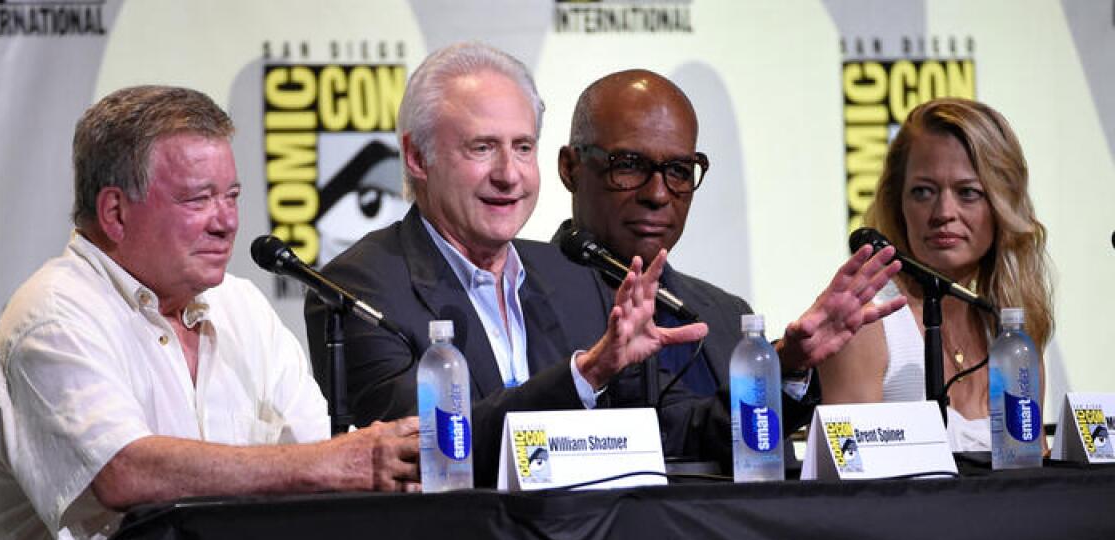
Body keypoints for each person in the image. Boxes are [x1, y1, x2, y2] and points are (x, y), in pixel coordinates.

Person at [0, 85, 420, 540]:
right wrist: (334, 462)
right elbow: (124, 473)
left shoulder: (242, 307)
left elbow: (321, 457)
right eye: (199, 199)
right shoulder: (53, 315)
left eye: (233, 195)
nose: (227, 222)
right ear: (115, 212)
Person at [305, 44, 706, 487]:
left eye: (522, 147)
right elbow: (426, 447)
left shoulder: (573, 274)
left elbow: (671, 427)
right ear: (417, 157)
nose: (509, 174)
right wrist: (582, 375)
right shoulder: (358, 287)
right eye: (482, 147)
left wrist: (785, 375)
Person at [555, 69, 908, 465]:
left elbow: (752, 457)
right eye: (630, 164)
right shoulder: (528, 300)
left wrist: (785, 366)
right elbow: (663, 436)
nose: (657, 194)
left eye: (678, 171)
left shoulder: (725, 314)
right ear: (571, 168)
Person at [818, 98, 1054, 452]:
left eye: (968, 193)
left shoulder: (1010, 334)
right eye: (923, 192)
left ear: (1002, 204)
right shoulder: (866, 321)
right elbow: (852, 490)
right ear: (898, 203)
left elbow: (1037, 478)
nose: (944, 212)